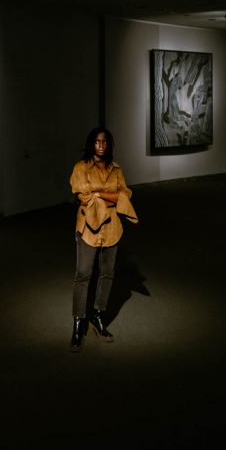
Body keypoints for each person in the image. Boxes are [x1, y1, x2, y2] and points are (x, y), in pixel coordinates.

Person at [68, 127, 138, 352]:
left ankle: (98, 317)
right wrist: (110, 197)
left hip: (112, 228)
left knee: (107, 274)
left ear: (109, 145)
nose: (101, 145)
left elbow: (125, 194)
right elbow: (82, 195)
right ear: (91, 144)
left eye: (105, 142)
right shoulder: (80, 168)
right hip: (88, 227)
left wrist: (99, 195)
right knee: (83, 274)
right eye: (97, 142)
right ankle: (79, 322)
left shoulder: (116, 169)